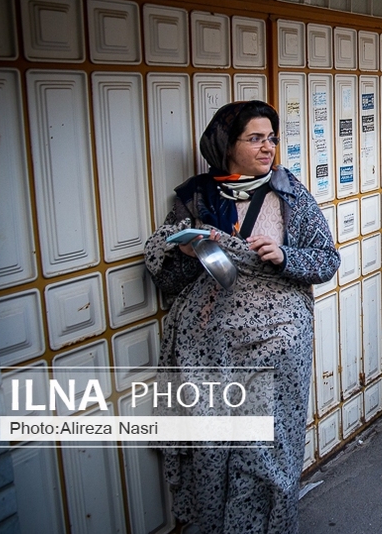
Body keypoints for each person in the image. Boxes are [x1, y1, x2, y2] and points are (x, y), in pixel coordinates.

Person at [144, 100, 340, 533]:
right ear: (226, 145)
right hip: (210, 346)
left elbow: (326, 260)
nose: (267, 147)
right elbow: (168, 280)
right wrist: (183, 249)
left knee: (265, 446)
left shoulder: (290, 195)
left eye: (271, 138)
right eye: (255, 138)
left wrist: (285, 256)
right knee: (213, 445)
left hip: (275, 343)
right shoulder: (195, 198)